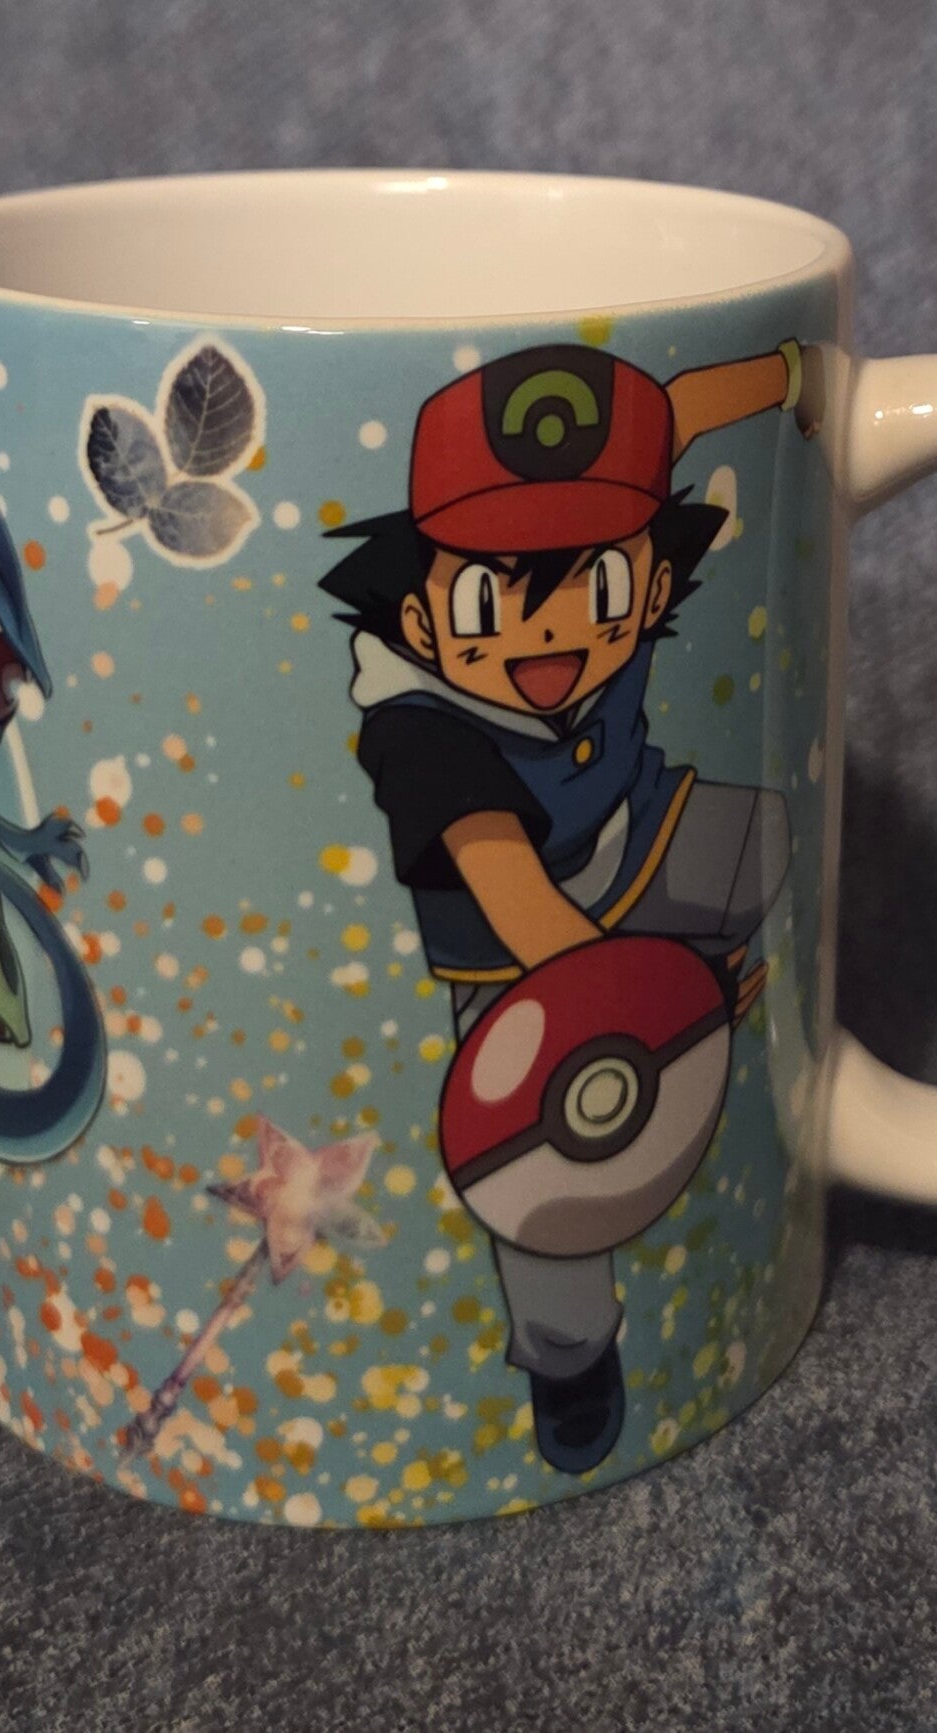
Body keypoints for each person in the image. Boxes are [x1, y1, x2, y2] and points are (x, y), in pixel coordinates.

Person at [320, 337, 820, 1472]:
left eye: (594, 588)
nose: (547, 629)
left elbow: (677, 407)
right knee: (539, 1181)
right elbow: (516, 897)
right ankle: (568, 1356)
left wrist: (799, 376)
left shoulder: (629, 589)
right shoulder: (418, 731)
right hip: (517, 962)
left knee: (762, 840)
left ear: (650, 584)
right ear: (420, 615)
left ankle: (700, 1031)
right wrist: (666, 999)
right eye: (491, 594)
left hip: (643, 836)